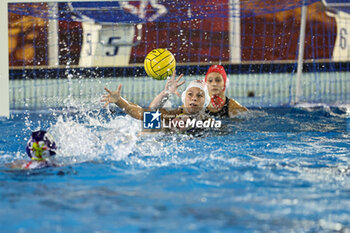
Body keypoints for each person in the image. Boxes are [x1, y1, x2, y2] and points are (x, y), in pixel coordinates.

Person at [102, 72, 218, 133]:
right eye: (190, 94)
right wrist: (118, 100)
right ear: (184, 98)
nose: (194, 98)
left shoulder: (209, 122)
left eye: (199, 96)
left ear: (206, 101)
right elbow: (141, 114)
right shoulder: (172, 115)